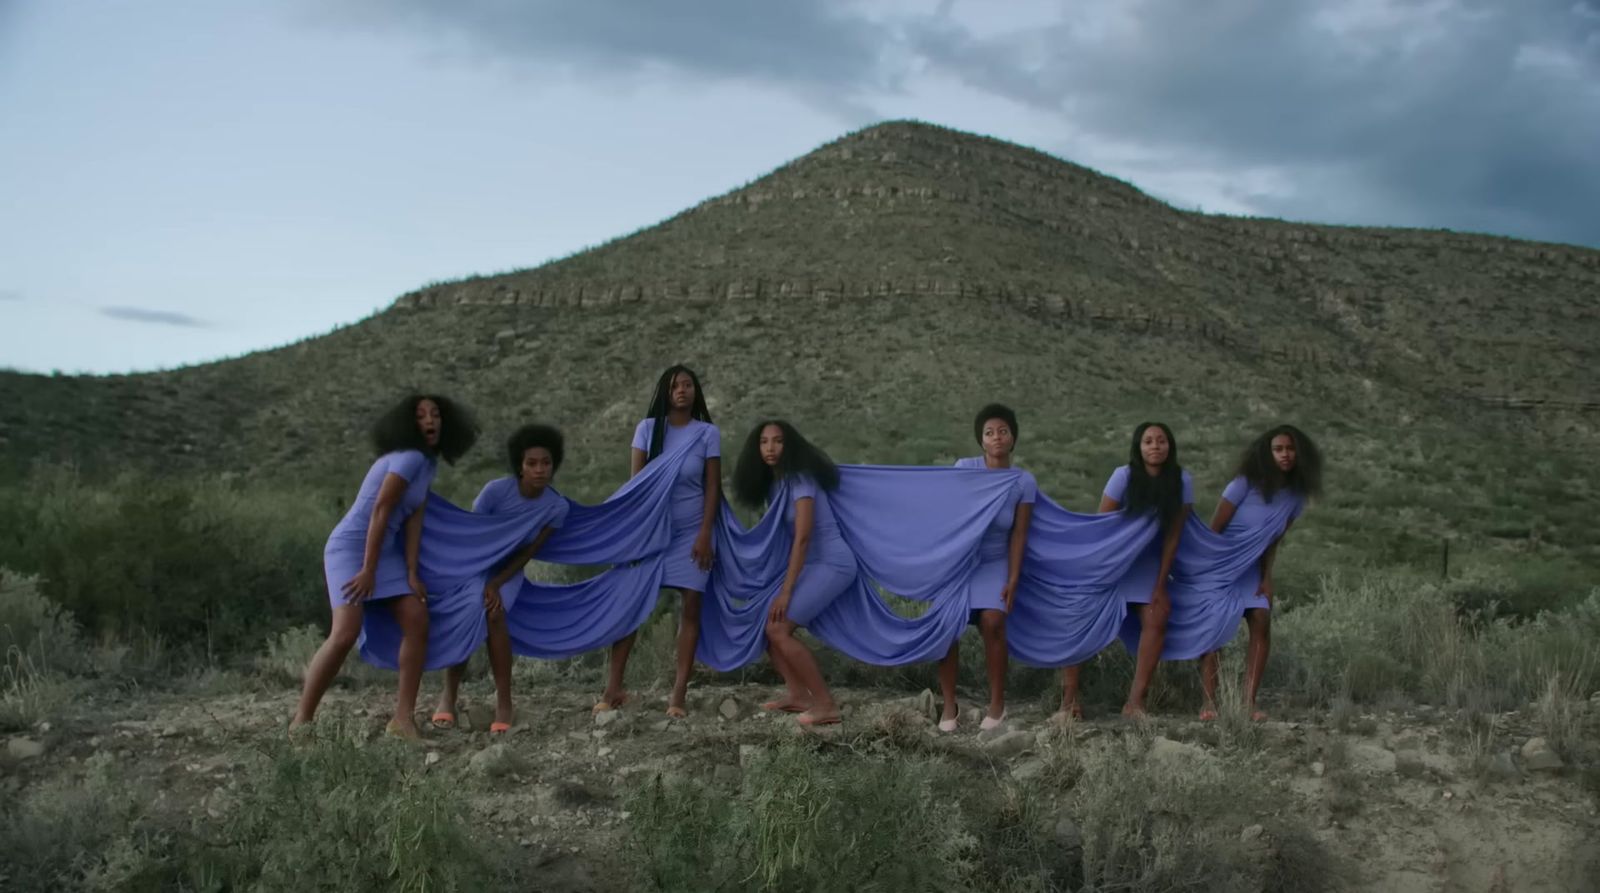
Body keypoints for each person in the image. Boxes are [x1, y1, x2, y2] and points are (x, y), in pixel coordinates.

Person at [292, 394, 478, 738]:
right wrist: (367, 570)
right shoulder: (406, 458)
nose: (430, 420)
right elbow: (380, 511)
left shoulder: (426, 463)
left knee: (417, 617)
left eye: (435, 414)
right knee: (345, 632)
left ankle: (402, 719)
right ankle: (301, 721)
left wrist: (410, 572)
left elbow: (413, 520)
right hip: (352, 548)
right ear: (409, 423)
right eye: (421, 415)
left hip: (384, 552)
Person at [596, 365, 721, 717]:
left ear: (695, 391)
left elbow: (712, 488)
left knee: (691, 606)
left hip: (693, 531)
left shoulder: (708, 434)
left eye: (687, 385)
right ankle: (613, 688)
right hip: (652, 532)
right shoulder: (648, 430)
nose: (682, 390)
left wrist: (705, 533)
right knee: (632, 607)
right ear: (664, 393)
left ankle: (677, 696)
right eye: (675, 386)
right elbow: (635, 485)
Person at [431, 424, 569, 734]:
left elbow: (528, 553)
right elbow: (473, 535)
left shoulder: (556, 507)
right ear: (519, 465)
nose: (539, 470)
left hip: (509, 572)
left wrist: (496, 584)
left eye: (545, 463)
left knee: (495, 614)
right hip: (476, 565)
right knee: (469, 613)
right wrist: (480, 580)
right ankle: (448, 696)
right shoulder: (495, 491)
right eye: (531, 463)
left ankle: (504, 702)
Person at [1059, 421, 1193, 719]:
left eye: (1161, 440)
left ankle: (1135, 703)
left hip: (1148, 565)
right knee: (1079, 616)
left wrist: (1160, 585)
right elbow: (1101, 525)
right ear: (1139, 447)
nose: (1155, 446)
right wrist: (1097, 573)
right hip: (1113, 561)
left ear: (1170, 446)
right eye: (1148, 441)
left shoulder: (1181, 480)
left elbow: (1173, 537)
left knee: (1157, 616)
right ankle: (1069, 703)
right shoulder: (1123, 476)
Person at [733, 420, 855, 727]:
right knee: (768, 626)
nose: (770, 448)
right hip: (809, 566)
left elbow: (802, 537)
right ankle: (799, 695)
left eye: (777, 441)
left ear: (790, 446)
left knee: (778, 628)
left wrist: (786, 592)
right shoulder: (774, 485)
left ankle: (826, 704)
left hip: (832, 563)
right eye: (764, 442)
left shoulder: (801, 478)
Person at [1201, 424, 1322, 721]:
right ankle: (1208, 704)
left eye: (1290, 449)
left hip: (1254, 568)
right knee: (1215, 631)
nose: (1285, 454)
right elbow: (1214, 528)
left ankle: (1248, 703)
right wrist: (1209, 572)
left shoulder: (1296, 497)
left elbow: (1274, 539)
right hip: (1222, 564)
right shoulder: (1244, 484)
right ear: (1267, 453)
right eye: (1278, 449)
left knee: (1261, 620)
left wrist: (1267, 577)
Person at [938, 404, 1035, 732]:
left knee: (993, 622)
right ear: (981, 441)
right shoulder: (964, 468)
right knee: (948, 627)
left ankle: (997, 705)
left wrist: (1013, 577)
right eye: (989, 432)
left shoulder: (1023, 481)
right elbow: (948, 513)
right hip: (961, 562)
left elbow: (1019, 534)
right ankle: (949, 705)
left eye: (1003, 431)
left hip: (994, 562)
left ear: (1013, 438)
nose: (997, 437)